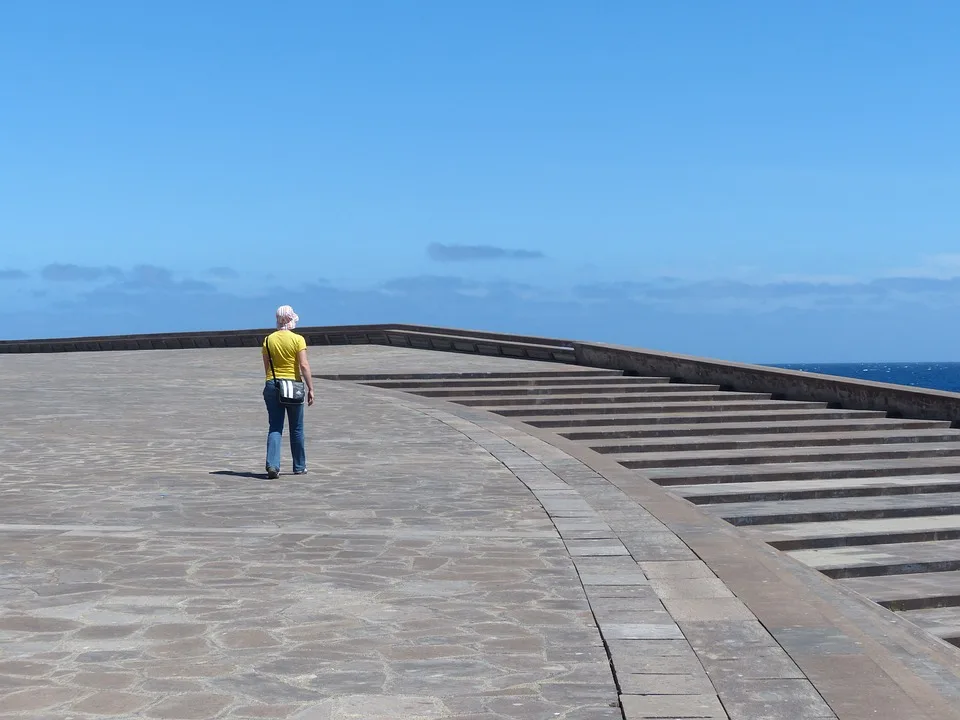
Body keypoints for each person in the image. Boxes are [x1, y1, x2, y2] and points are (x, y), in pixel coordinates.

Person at [261, 305, 315, 478]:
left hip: (272, 384)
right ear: (291, 320)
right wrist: (311, 388)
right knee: (297, 428)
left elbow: (267, 366)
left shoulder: (268, 340)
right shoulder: (298, 339)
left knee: (275, 426)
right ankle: (299, 466)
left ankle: (273, 465)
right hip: (293, 385)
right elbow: (304, 365)